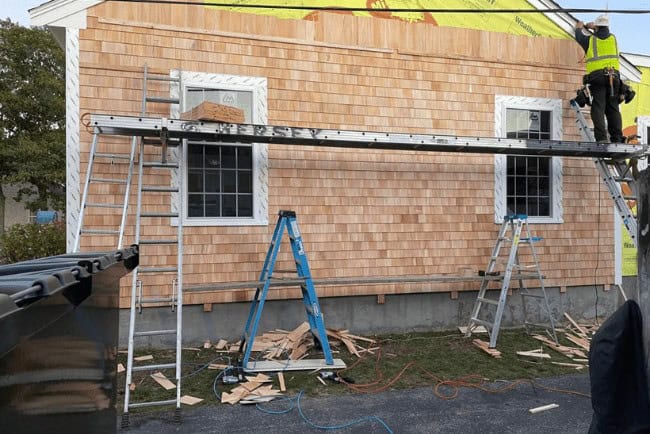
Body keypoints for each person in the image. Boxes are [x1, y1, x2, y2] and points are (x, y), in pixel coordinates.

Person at [574, 15, 624, 144]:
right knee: (613, 109)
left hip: (598, 78)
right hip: (614, 77)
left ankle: (601, 138)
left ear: (596, 26)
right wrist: (595, 27)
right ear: (607, 26)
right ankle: (617, 138)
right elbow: (602, 35)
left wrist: (579, 28)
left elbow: (579, 37)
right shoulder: (613, 38)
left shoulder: (591, 40)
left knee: (598, 107)